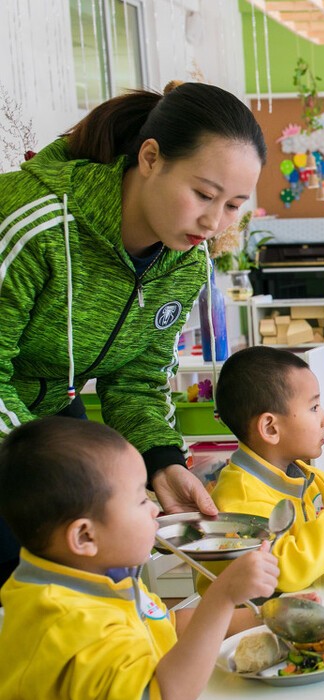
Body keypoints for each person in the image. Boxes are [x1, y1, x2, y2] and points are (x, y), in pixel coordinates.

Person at [0, 81, 267, 590]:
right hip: (17, 419)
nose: (213, 222)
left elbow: (138, 379)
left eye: (233, 205)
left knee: (91, 578)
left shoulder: (185, 260)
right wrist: (51, 476)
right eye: (203, 194)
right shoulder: (32, 224)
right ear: (150, 158)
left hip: (49, 410)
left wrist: (163, 463)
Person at [0, 418, 279, 700]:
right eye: (139, 500)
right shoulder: (65, 621)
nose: (154, 509)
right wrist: (221, 596)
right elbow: (163, 699)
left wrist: (264, 616)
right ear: (84, 537)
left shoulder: (99, 574)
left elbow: (167, 625)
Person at [210, 347, 324, 593]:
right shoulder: (239, 499)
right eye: (314, 407)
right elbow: (282, 571)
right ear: (270, 428)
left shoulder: (307, 476)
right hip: (256, 615)